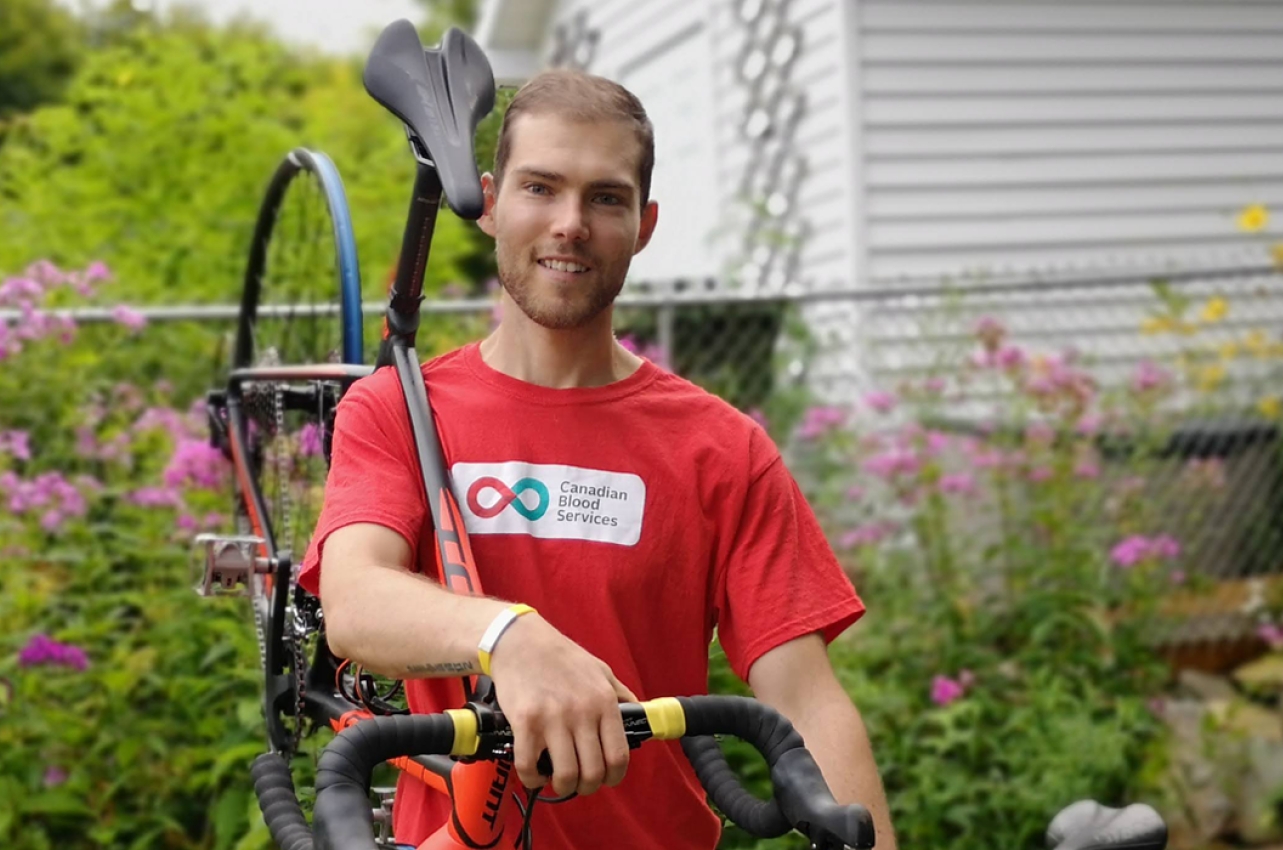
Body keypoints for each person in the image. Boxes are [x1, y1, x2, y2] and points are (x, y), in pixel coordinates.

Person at [297, 68, 897, 850]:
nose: (569, 223)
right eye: (540, 187)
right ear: (490, 203)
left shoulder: (721, 448)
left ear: (644, 224)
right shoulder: (397, 410)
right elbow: (355, 600)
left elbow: (807, 702)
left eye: (605, 198)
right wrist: (508, 635)